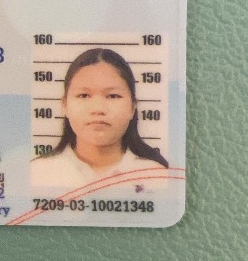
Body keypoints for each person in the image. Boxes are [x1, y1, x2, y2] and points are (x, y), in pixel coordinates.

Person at [32, 47, 168, 193]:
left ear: (132, 107)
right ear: (64, 105)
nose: (98, 109)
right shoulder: (37, 174)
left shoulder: (156, 177)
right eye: (84, 95)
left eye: (113, 96)